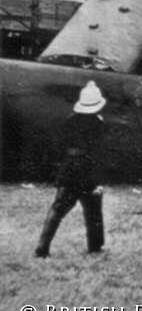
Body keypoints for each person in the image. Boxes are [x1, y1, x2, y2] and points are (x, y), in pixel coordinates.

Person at [35, 81, 107, 258]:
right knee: (93, 212)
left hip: (69, 170)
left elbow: (59, 147)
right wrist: (98, 182)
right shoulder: (98, 123)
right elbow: (98, 154)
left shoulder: (70, 121)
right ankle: (95, 247)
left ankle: (42, 247)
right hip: (88, 172)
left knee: (57, 209)